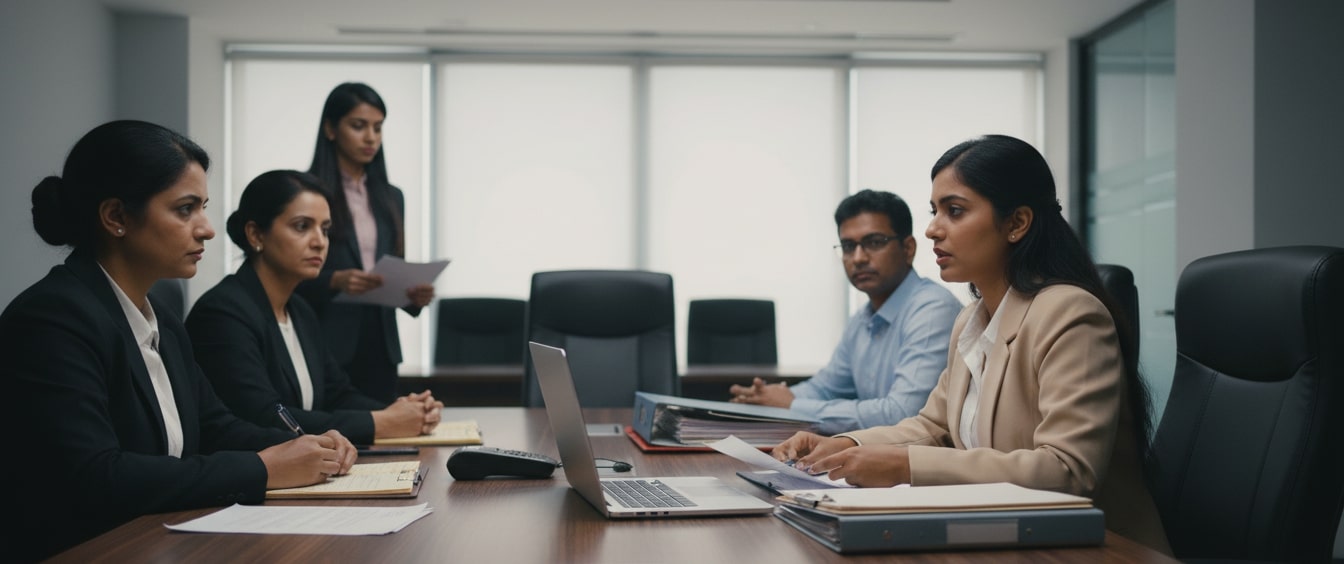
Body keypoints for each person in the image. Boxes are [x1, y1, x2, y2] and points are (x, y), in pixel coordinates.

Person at [772, 135, 1171, 554]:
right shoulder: (973, 318)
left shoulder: (1071, 314)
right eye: (934, 211)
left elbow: (1066, 469)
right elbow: (933, 426)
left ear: (1017, 223)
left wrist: (903, 464)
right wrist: (847, 446)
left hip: (1096, 550)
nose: (931, 229)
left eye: (955, 211)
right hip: (1005, 539)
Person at [0, 121, 357, 561]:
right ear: (116, 217)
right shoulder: (53, 319)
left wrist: (308, 447)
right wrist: (265, 467)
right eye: (186, 209)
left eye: (203, 207)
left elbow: (215, 427)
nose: (207, 228)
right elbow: (95, 476)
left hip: (160, 542)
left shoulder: (162, 318)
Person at [186, 170, 445, 445]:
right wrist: (381, 422)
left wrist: (403, 410)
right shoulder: (223, 313)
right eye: (302, 226)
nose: (320, 242)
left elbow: (337, 394)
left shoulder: (299, 309)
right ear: (255, 234)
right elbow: (264, 417)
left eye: (325, 229)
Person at [729, 189, 962, 435]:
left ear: (908, 249)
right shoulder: (862, 319)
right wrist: (767, 397)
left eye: (874, 242)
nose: (858, 258)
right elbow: (826, 387)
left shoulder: (932, 310)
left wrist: (792, 405)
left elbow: (903, 414)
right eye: (848, 246)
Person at [296, 82, 434, 403]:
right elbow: (286, 273)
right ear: (331, 129)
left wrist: (413, 296)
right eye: (358, 126)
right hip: (328, 338)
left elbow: (390, 270)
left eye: (378, 127)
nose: (371, 137)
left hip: (380, 344)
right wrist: (335, 280)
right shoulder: (307, 193)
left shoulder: (391, 197)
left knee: (385, 440)